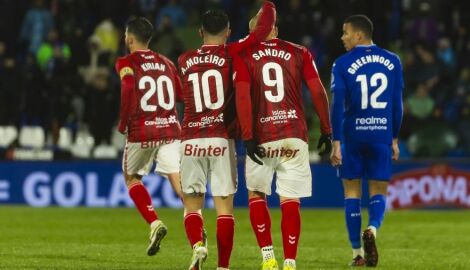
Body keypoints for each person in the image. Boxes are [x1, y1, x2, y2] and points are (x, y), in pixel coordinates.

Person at [177, 2, 276, 269]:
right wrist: (268, 5)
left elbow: (179, 95)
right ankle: (222, 267)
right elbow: (262, 29)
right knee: (224, 209)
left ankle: (198, 245)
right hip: (221, 138)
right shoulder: (232, 53)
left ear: (199, 32)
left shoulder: (184, 60)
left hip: (190, 139)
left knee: (192, 205)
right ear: (229, 31)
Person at [233, 19, 332, 270]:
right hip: (294, 134)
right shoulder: (299, 52)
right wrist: (326, 129)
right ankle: (290, 261)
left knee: (257, 194)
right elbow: (318, 91)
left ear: (252, 33)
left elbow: (242, 97)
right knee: (290, 199)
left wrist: (247, 136)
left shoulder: (244, 55)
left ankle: (268, 258)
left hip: (262, 135)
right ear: (275, 29)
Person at [329, 15, 403, 267]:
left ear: (358, 35)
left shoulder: (341, 63)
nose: (342, 37)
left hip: (353, 136)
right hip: (381, 134)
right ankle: (372, 228)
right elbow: (397, 105)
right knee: (378, 190)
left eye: (345, 33)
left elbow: (337, 104)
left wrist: (335, 141)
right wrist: (394, 138)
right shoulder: (393, 61)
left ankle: (357, 254)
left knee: (351, 192)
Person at [115, 17, 183, 256]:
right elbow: (182, 94)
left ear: (129, 38)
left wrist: (123, 122)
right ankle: (195, 218)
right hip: (171, 128)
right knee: (176, 176)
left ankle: (154, 223)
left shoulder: (126, 62)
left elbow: (128, 87)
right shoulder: (167, 63)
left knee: (132, 178)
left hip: (142, 130)